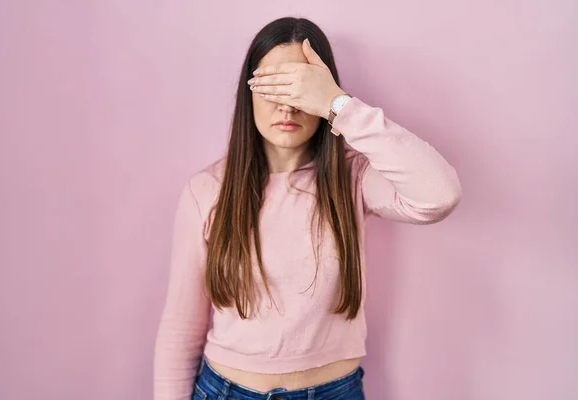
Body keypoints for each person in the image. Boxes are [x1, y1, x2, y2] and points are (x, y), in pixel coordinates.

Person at [154, 16, 462, 400]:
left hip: (335, 391)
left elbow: (439, 194)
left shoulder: (352, 177)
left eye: (301, 88)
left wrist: (339, 107)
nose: (288, 105)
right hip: (226, 391)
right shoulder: (205, 191)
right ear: (247, 91)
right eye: (272, 85)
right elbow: (180, 329)